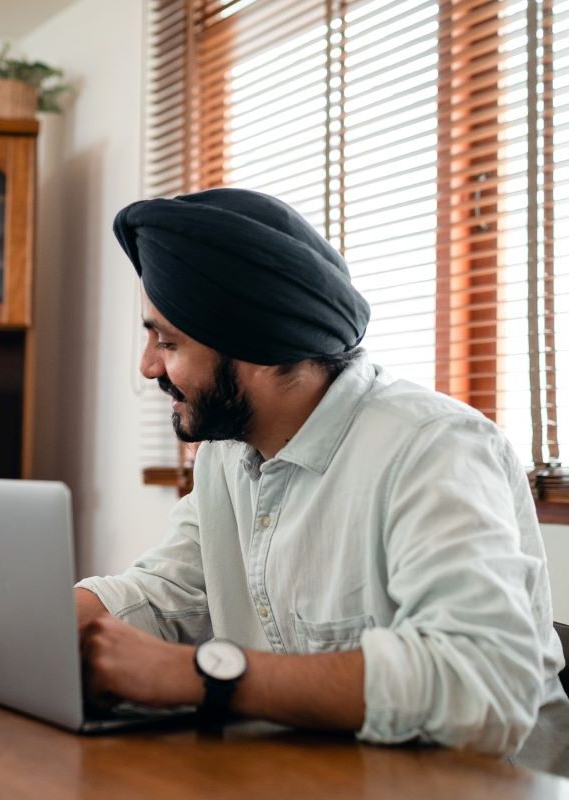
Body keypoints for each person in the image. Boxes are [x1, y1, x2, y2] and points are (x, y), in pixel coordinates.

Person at [68, 188, 567, 772]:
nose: (149, 366)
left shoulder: (435, 449)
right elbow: (164, 593)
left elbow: (481, 687)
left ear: (252, 346)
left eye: (168, 341)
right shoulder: (227, 457)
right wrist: (1, 623)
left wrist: (201, 676)